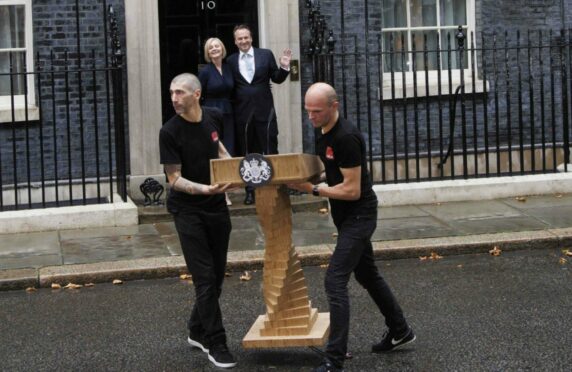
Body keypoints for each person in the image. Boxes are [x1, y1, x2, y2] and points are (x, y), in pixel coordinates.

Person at [288, 83, 415, 372]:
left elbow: (352, 190)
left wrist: (313, 190)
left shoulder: (346, 137)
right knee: (368, 274)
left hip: (360, 216)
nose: (311, 117)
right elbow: (328, 169)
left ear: (335, 106)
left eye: (316, 111)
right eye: (307, 111)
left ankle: (334, 358)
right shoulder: (323, 132)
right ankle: (400, 329)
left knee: (334, 280)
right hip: (346, 218)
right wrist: (298, 177)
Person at [159, 73, 236, 369]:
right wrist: (205, 189)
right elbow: (173, 178)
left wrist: (234, 172)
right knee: (204, 278)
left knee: (216, 277)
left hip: (216, 207)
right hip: (187, 211)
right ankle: (216, 342)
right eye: (171, 93)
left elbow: (217, 149)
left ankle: (196, 330)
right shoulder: (169, 131)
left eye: (180, 92)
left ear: (197, 95)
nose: (175, 98)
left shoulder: (214, 117)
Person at [227, 24, 292, 205]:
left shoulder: (265, 55)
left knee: (271, 149)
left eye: (246, 37)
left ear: (251, 38)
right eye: (239, 39)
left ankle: (275, 189)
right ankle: (250, 191)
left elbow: (276, 78)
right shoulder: (231, 61)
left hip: (265, 111)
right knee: (248, 153)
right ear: (235, 41)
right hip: (243, 113)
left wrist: (285, 67)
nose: (243, 41)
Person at [198, 37, 235, 206]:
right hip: (211, 114)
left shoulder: (229, 68)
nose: (214, 49)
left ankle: (226, 190)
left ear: (222, 48)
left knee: (227, 152)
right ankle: (221, 194)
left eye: (217, 46)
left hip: (228, 114)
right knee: (216, 153)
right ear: (207, 52)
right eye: (210, 47)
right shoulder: (205, 71)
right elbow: (198, 94)